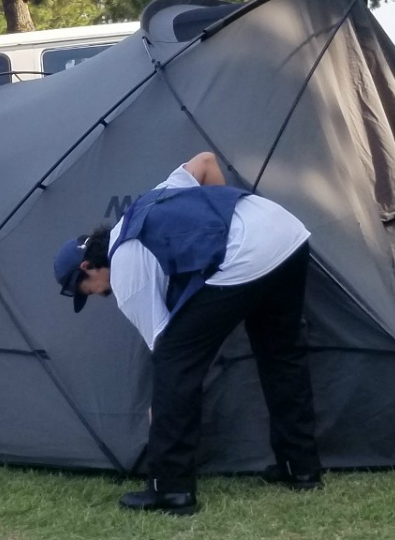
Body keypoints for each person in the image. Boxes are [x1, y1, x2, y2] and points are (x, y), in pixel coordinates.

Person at [53, 151, 322, 516]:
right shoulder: (148, 202)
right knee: (281, 355)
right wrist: (223, 221)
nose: (100, 295)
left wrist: (159, 409)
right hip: (285, 232)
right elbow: (206, 162)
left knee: (175, 369)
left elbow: (170, 358)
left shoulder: (126, 271)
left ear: (88, 267)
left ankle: (171, 490)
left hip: (248, 254)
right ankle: (300, 468)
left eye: (89, 290)